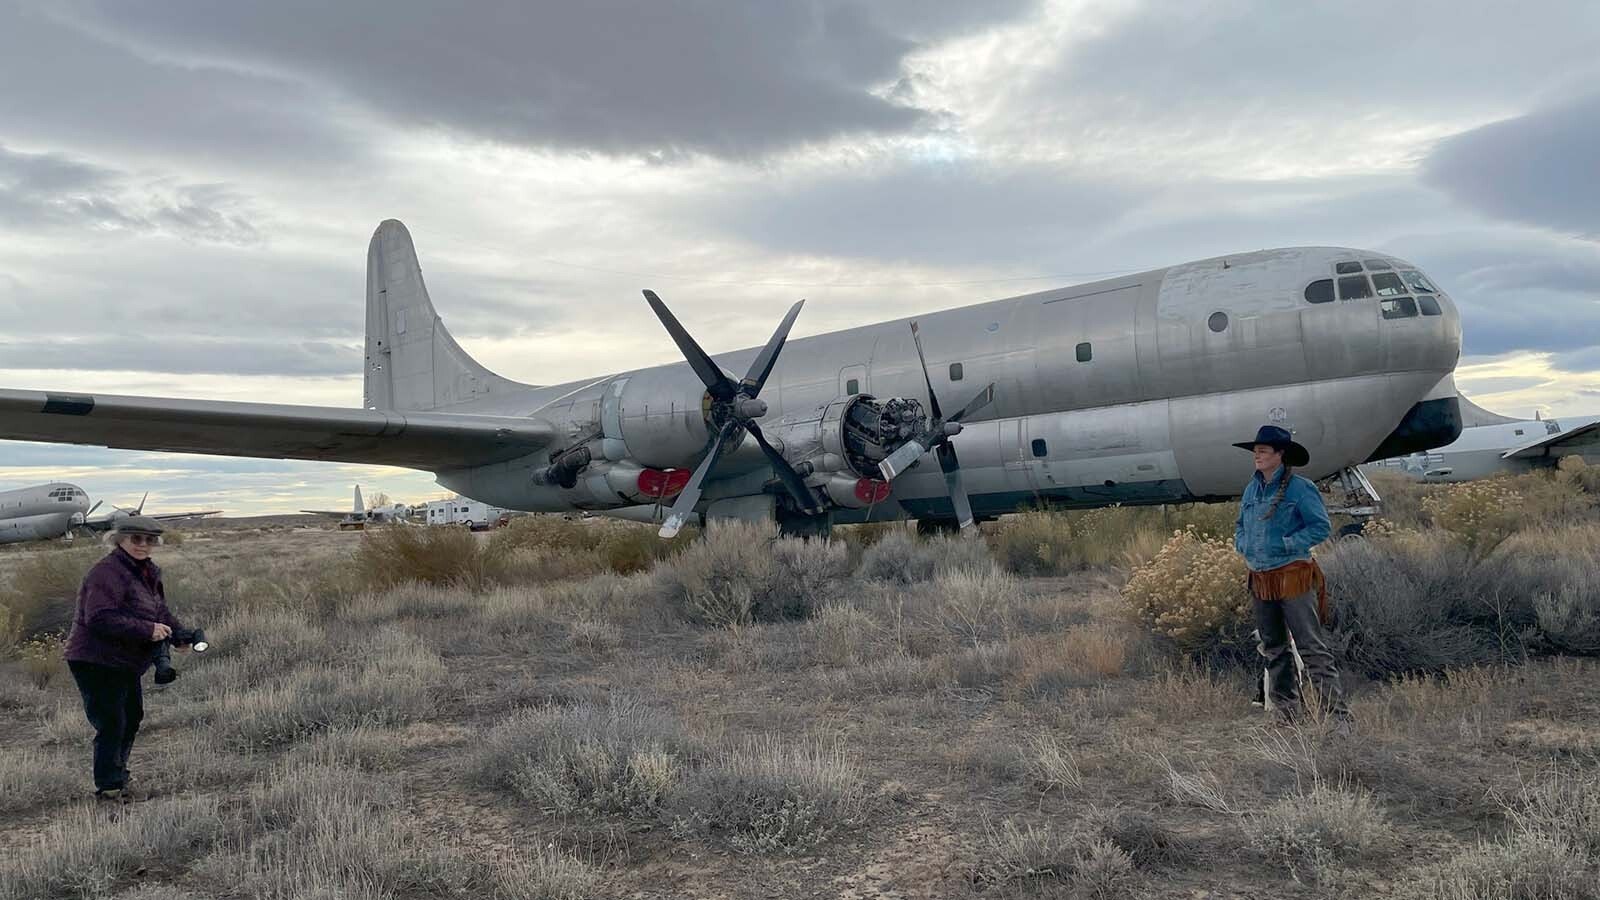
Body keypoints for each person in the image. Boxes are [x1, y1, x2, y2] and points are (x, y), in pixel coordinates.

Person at [62, 516, 190, 801]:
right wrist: (148, 630)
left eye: (150, 540)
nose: (143, 545)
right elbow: (98, 617)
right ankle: (109, 788)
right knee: (112, 722)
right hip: (94, 658)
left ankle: (119, 776)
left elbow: (159, 612)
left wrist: (179, 634)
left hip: (124, 660)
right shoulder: (107, 572)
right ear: (119, 539)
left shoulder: (146, 571)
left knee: (131, 718)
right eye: (136, 539)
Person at [1232, 425, 1350, 730]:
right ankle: (1287, 714)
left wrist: (1286, 543)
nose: (1257, 455)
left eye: (1263, 451)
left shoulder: (1301, 488)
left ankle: (1337, 719)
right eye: (1256, 451)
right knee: (1274, 647)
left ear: (1279, 455)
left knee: (1311, 648)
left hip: (1292, 576)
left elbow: (1320, 527)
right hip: (1260, 577)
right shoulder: (1251, 489)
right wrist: (1243, 545)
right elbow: (1240, 525)